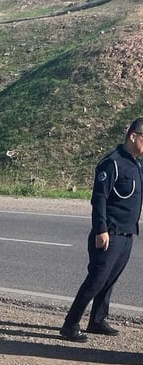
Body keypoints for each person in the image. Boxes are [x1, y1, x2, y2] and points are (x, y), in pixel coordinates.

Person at [60, 120, 143, 341]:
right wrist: (101, 229)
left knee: (110, 279)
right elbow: (99, 199)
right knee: (96, 280)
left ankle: (97, 320)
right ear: (133, 136)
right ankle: (70, 324)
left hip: (127, 233)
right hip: (110, 233)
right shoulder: (112, 163)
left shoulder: (136, 164)